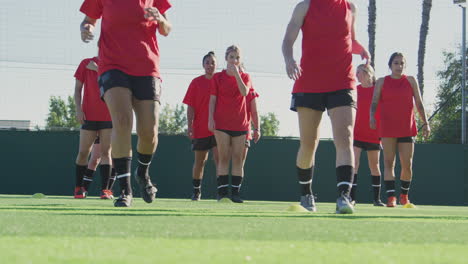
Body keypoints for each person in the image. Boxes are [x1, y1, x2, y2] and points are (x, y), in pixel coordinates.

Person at [79, 0, 172, 207]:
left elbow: (166, 29)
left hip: (147, 67)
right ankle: (124, 190)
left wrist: (160, 19)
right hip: (112, 65)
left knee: (149, 131)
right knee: (121, 121)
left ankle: (143, 172)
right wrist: (86, 29)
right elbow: (88, 21)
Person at [282, 0, 370, 213]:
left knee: (345, 137)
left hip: (343, 82)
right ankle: (306, 193)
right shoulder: (305, 6)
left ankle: (344, 198)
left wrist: (363, 52)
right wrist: (289, 60)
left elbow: (351, 40)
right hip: (309, 82)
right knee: (309, 144)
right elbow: (288, 40)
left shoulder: (351, 8)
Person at [370, 52, 430, 207]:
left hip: (407, 128)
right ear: (390, 65)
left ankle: (404, 196)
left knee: (407, 164)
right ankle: (391, 198)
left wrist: (426, 123)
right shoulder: (382, 81)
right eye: (396, 63)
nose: (399, 66)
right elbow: (375, 102)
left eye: (402, 63)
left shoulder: (410, 80)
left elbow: (419, 103)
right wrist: (372, 117)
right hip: (387, 127)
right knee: (388, 162)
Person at [209, 45, 251, 203]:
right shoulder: (217, 78)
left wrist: (237, 75)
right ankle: (222, 193)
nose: (234, 60)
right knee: (223, 157)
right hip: (221, 123)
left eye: (237, 58)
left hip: (240, 124)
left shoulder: (245, 76)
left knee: (238, 158)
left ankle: (235, 193)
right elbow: (212, 100)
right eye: (231, 57)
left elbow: (245, 92)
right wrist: (210, 119)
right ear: (226, 58)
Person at [73, 58, 113, 200]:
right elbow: (77, 89)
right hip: (88, 115)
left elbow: (116, 85)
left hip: (109, 116)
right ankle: (79, 188)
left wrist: (98, 69)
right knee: (83, 152)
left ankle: (105, 190)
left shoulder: (113, 63)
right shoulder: (85, 63)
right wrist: (78, 109)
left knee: (105, 153)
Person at [183, 51, 219, 201]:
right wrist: (190, 126)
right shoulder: (196, 82)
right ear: (203, 65)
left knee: (219, 160)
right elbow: (190, 106)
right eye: (207, 62)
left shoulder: (221, 80)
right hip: (200, 129)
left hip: (218, 129)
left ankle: (221, 193)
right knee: (200, 161)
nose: (210, 65)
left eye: (212, 62)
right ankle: (196, 192)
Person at [351, 64, 384, 206]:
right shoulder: (354, 90)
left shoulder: (378, 91)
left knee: (374, 166)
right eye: (356, 72)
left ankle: (377, 200)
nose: (356, 75)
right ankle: (351, 198)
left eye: (359, 72)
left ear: (367, 73)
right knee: (354, 165)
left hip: (374, 134)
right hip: (356, 134)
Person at [242, 88, 261, 166]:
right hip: (223, 132)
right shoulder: (222, 86)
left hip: (243, 132)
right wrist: (257, 129)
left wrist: (257, 129)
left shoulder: (250, 91)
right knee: (222, 163)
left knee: (238, 164)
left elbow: (255, 112)